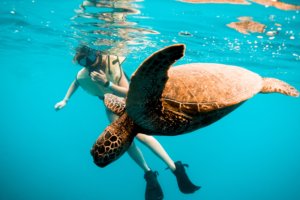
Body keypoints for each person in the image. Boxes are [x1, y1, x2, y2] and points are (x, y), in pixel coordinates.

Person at [54, 46, 200, 199]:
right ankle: (149, 174)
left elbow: (130, 93)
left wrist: (106, 84)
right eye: (83, 62)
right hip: (110, 105)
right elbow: (76, 82)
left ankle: (175, 168)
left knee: (140, 135)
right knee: (124, 141)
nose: (89, 64)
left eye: (90, 58)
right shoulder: (85, 74)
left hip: (128, 102)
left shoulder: (112, 64)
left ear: (97, 53)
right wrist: (65, 99)